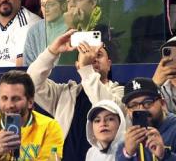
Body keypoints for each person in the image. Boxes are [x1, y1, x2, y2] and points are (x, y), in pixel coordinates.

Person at [26, 28, 123, 160]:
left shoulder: (120, 93)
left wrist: (87, 69)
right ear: (78, 66)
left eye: (98, 55)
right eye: (87, 55)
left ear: (109, 64)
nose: (93, 58)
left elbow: (108, 106)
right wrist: (52, 51)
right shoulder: (63, 94)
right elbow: (31, 83)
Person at [0, 70, 64, 161]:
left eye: (16, 99)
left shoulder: (50, 127)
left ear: (30, 102)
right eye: (4, 98)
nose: (10, 105)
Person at [118, 77, 176, 161]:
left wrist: (165, 155)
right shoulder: (125, 143)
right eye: (133, 105)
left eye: (148, 103)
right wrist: (127, 155)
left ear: (163, 104)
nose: (141, 109)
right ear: (127, 110)